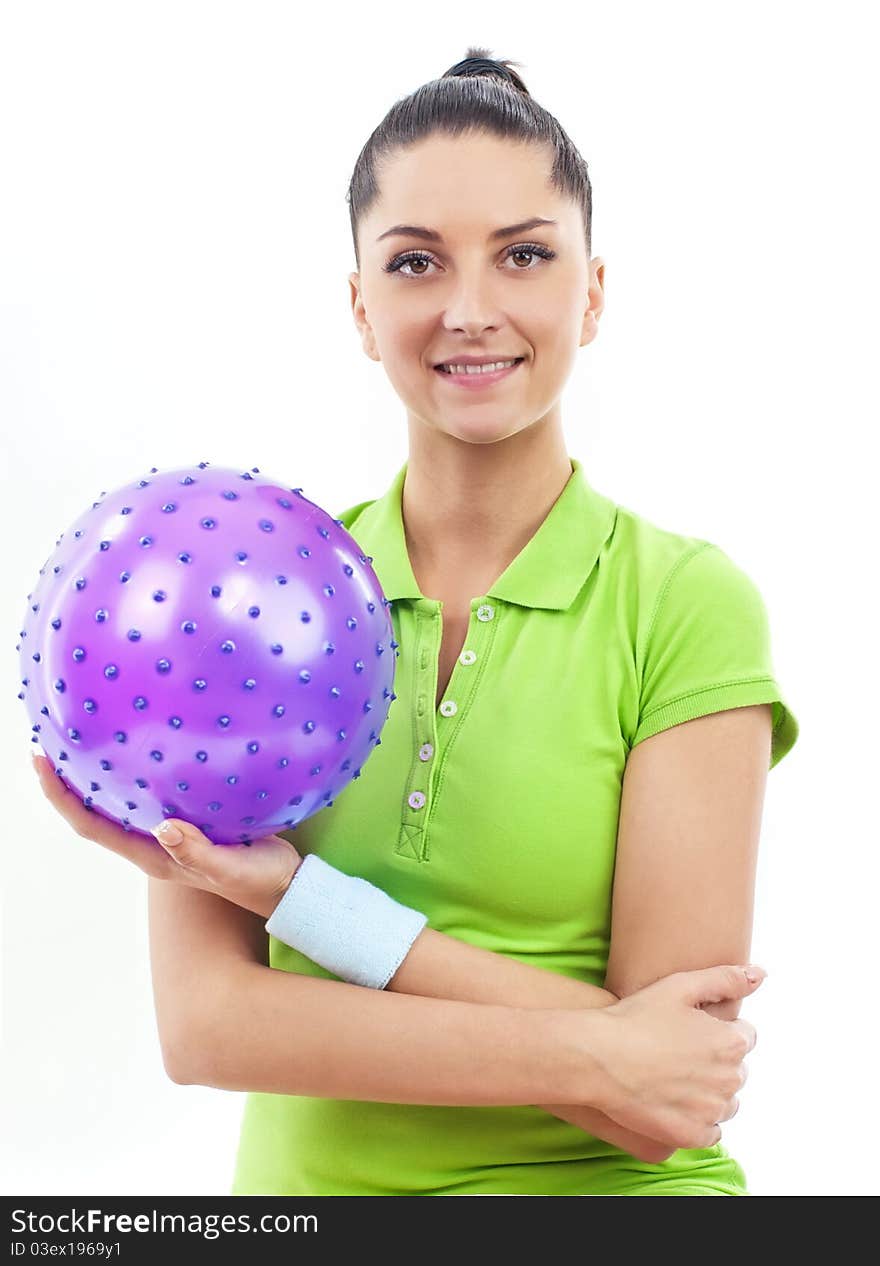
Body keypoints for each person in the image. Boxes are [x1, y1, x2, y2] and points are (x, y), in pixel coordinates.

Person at [52, 47, 798, 1196]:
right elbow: (210, 1030)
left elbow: (668, 1105)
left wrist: (297, 904)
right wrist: (601, 1044)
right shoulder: (236, 602)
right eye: (415, 262)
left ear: (591, 291)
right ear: (360, 305)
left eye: (525, 255)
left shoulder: (684, 604)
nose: (469, 309)